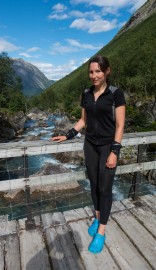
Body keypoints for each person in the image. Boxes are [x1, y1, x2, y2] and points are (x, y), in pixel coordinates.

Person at [51, 55, 126, 254]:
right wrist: (68, 135)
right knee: (93, 183)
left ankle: (101, 231)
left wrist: (114, 152)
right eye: (91, 72)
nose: (94, 75)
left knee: (105, 187)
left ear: (106, 71)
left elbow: (120, 125)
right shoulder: (86, 93)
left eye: (98, 71)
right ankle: (97, 216)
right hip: (90, 145)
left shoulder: (116, 94)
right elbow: (83, 120)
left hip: (108, 146)